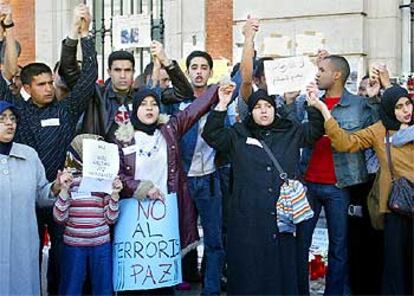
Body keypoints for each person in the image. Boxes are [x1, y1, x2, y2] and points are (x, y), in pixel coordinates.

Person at [201, 88, 324, 295]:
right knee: (250, 269)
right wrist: (222, 104)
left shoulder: (290, 130)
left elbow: (314, 131)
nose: (264, 111)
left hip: (282, 216)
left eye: (268, 106)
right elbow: (212, 135)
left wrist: (313, 104)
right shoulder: (239, 133)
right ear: (251, 112)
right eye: (258, 107)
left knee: (281, 267)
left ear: (275, 109)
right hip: (248, 216)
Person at [114, 83, 230, 294]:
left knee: (163, 282)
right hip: (134, 223)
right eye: (144, 104)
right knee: (136, 284)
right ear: (135, 110)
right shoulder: (122, 139)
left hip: (163, 220)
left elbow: (192, 111)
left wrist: (218, 90)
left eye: (154, 104)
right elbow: (118, 176)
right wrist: (140, 187)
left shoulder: (169, 130)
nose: (149, 108)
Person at [307, 84, 414, 295]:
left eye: (408, 104)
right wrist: (324, 110)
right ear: (389, 109)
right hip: (396, 206)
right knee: (395, 267)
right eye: (399, 106)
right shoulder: (379, 130)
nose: (406, 110)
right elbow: (345, 143)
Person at [0, 101, 62, 295]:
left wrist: (57, 187)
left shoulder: (29, 155)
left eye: (12, 119)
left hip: (23, 242)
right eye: (2, 119)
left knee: (22, 285)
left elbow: (41, 194)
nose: (10, 123)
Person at [53, 134, 122, 296]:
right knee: (71, 287)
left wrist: (114, 195)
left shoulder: (104, 182)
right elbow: (59, 218)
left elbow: (111, 219)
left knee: (104, 288)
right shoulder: (69, 181)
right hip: (74, 245)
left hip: (101, 245)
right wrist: (63, 190)